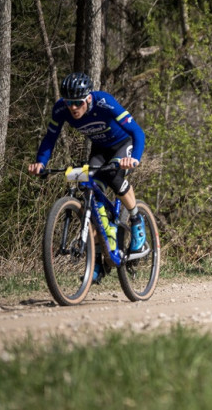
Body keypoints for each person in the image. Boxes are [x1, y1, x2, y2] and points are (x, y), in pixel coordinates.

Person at [28, 72, 146, 283]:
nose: (73, 107)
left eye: (78, 102)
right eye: (69, 102)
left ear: (88, 99)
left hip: (123, 144)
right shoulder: (61, 109)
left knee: (113, 177)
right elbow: (50, 138)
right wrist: (41, 162)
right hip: (99, 149)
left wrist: (134, 159)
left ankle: (136, 220)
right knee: (89, 191)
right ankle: (99, 259)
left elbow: (137, 132)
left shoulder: (104, 102)